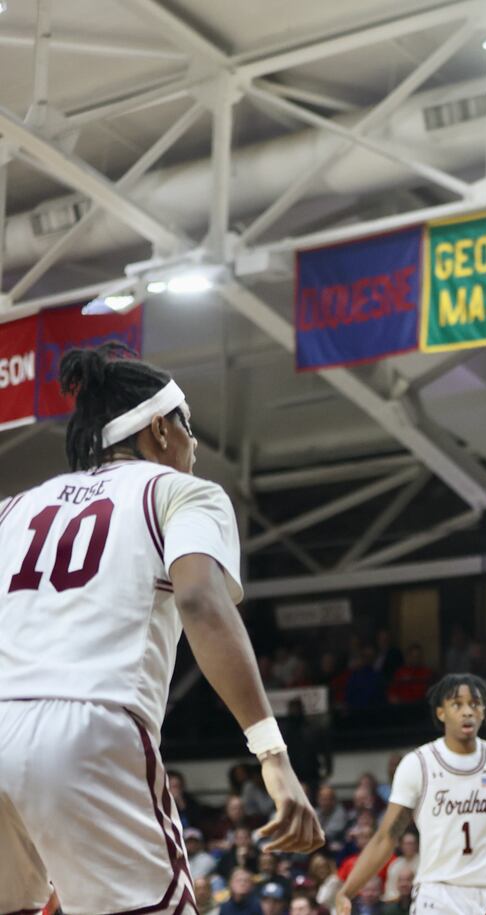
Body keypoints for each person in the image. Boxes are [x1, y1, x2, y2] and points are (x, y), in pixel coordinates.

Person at [0, 345, 323, 914]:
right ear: (160, 429)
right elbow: (200, 601)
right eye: (188, 427)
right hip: (91, 726)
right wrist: (271, 754)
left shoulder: (13, 508)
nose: (195, 445)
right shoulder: (182, 492)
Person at [337, 674, 486, 915]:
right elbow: (386, 838)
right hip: (437, 894)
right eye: (457, 704)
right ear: (441, 713)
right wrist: (347, 890)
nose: (467, 711)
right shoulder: (418, 764)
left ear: (484, 711)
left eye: (474, 704)